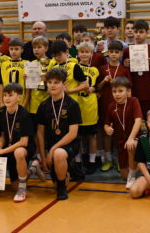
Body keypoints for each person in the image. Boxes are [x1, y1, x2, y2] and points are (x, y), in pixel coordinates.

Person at [0, 83, 35, 201]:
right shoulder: (0, 113)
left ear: (19, 97)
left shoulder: (24, 114)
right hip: (7, 146)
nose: (7, 98)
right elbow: (2, 135)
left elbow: (23, 142)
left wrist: (3, 150)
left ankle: (23, 187)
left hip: (23, 148)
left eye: (10, 95)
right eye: (5, 95)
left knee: (19, 152)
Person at [36, 68, 82, 200]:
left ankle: (62, 189)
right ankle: (67, 172)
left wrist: (52, 150)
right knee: (56, 176)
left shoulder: (72, 104)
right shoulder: (43, 105)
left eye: (56, 82)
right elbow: (40, 133)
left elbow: (73, 134)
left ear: (64, 84)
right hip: (51, 146)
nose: (52, 85)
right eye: (50, 82)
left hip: (69, 144)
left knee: (59, 153)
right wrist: (43, 157)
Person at [103, 77, 143, 189]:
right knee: (124, 176)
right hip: (121, 143)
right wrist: (107, 129)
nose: (117, 94)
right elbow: (106, 124)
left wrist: (131, 138)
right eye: (114, 91)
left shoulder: (133, 101)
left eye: (120, 91)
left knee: (132, 145)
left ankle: (133, 175)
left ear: (128, 91)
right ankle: (140, 166)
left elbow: (138, 120)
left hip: (135, 138)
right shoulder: (111, 106)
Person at [96, 41, 130, 172]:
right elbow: (97, 88)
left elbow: (129, 89)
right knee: (107, 133)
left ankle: (121, 160)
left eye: (117, 52)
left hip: (120, 106)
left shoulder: (124, 70)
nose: (114, 54)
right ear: (107, 53)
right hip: (105, 105)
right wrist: (103, 81)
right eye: (111, 52)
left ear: (121, 53)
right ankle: (108, 159)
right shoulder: (102, 69)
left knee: (120, 133)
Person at [123, 20, 150, 114]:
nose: (138, 34)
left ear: (147, 33)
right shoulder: (127, 51)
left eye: (141, 32)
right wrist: (125, 65)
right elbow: (123, 73)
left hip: (149, 91)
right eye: (136, 32)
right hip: (134, 91)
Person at [75, 42, 100, 174]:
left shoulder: (95, 70)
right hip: (77, 103)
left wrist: (93, 88)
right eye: (82, 52)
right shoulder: (74, 67)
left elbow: (97, 86)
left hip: (90, 105)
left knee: (91, 135)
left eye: (87, 52)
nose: (84, 54)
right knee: (77, 136)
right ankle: (78, 161)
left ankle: (92, 161)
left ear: (91, 54)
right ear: (78, 54)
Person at [27, 36, 52, 125]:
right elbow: (29, 87)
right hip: (34, 104)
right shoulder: (31, 64)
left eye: (39, 47)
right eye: (34, 48)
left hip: (47, 102)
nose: (36, 50)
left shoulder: (52, 63)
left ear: (46, 48)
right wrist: (27, 79)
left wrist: (46, 80)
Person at [1, 38, 29, 108]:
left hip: (21, 100)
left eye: (16, 49)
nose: (13, 51)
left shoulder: (27, 63)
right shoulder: (4, 64)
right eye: (11, 49)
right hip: (7, 99)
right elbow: (1, 85)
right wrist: (1, 102)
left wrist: (25, 102)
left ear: (22, 50)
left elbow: (28, 87)